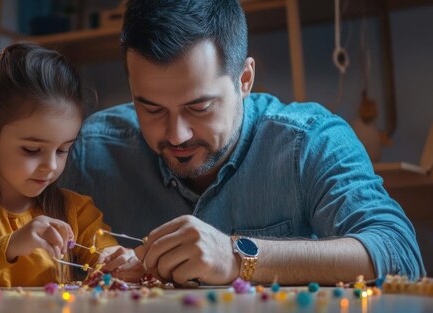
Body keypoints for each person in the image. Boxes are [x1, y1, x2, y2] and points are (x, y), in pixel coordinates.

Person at [60, 0, 425, 285]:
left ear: (245, 79)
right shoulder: (91, 150)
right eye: (150, 108)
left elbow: (400, 254)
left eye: (198, 106)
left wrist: (237, 258)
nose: (176, 134)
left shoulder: (309, 141)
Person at [0, 42, 139, 289]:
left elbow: (108, 254)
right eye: (32, 150)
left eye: (62, 150)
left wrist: (119, 260)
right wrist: (11, 245)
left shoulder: (77, 211)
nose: (50, 166)